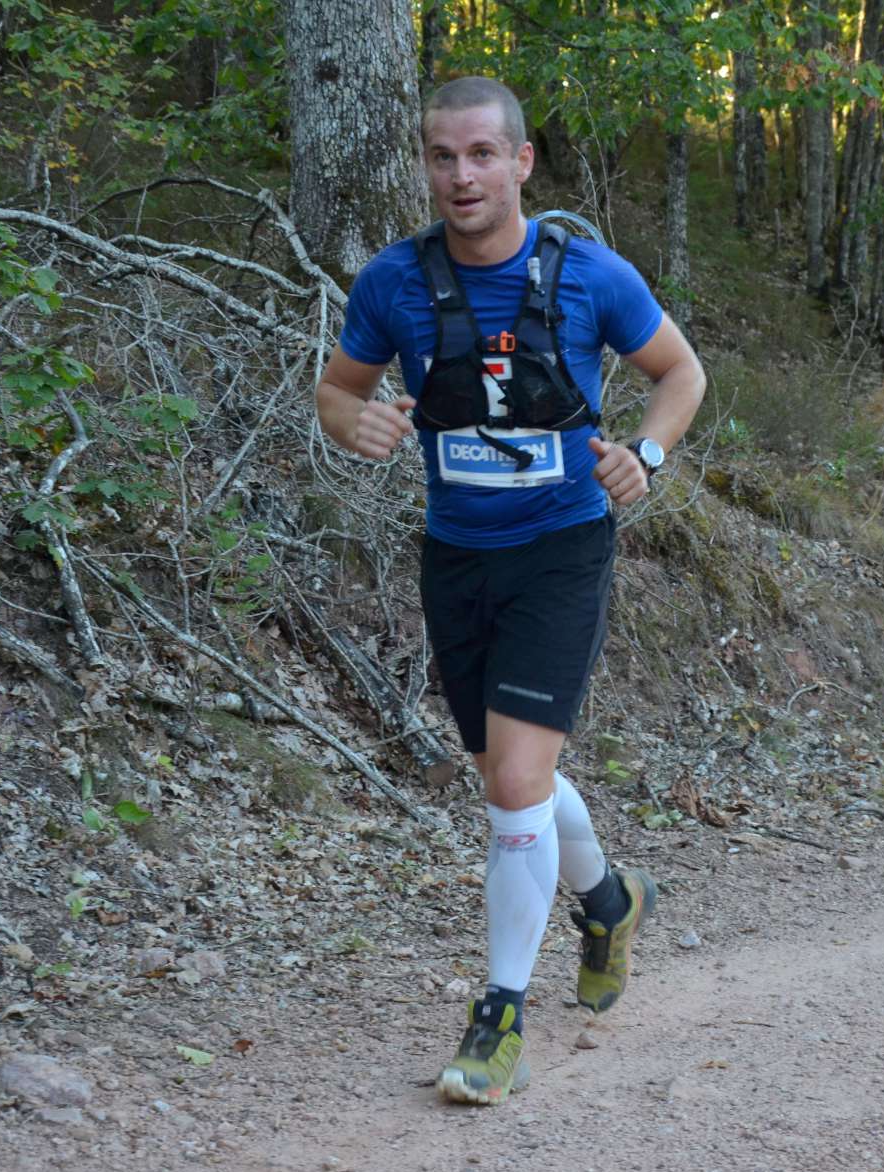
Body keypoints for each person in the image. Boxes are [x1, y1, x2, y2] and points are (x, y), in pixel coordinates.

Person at [313, 76, 705, 1105]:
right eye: (443, 157)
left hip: (561, 549)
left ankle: (499, 1016)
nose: (462, 176)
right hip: (457, 556)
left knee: (516, 781)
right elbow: (337, 389)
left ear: (522, 162)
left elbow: (681, 375)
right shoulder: (395, 282)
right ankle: (609, 902)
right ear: (425, 167)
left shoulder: (591, 275)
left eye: (482, 154)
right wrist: (352, 424)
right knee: (507, 775)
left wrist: (645, 456)